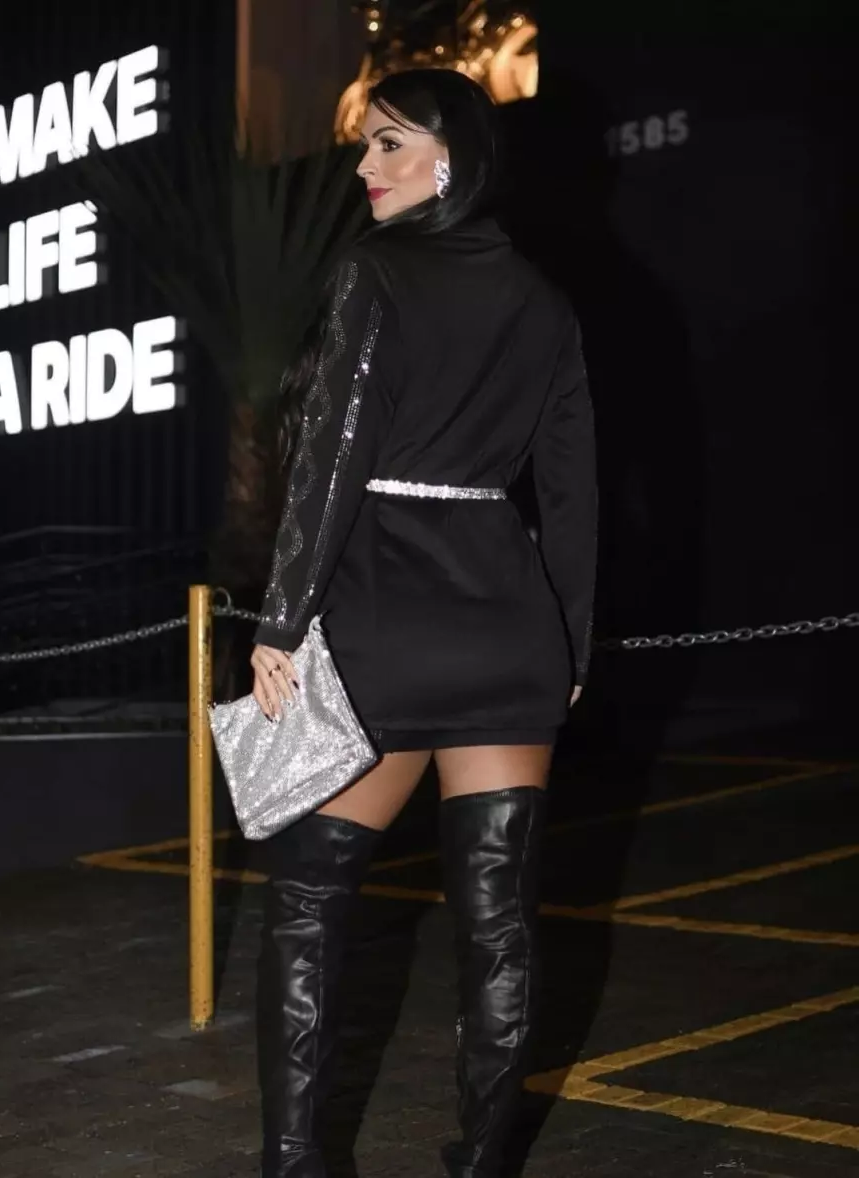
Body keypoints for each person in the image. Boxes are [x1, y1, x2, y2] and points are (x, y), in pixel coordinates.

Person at [248, 68, 596, 1178]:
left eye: (389, 143)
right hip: (509, 631)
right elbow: (571, 490)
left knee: (310, 901)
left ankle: (297, 1164)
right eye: (367, 144)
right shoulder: (544, 301)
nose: (365, 166)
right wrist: (574, 644)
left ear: (453, 158)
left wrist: (281, 618)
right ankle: (483, 1162)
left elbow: (333, 450)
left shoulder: (376, 271)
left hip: (387, 622)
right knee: (499, 920)